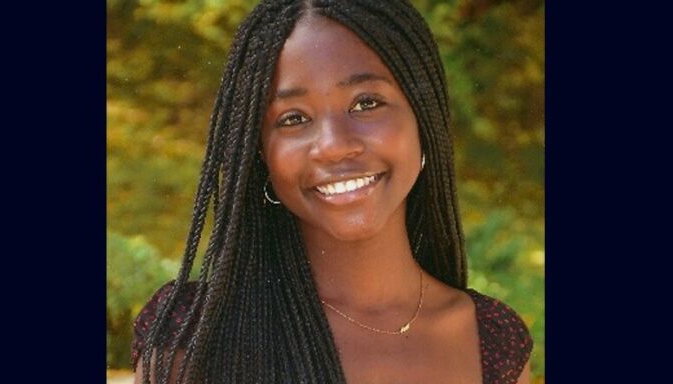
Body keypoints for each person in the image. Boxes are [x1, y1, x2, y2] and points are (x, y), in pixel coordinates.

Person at [131, 1, 534, 383]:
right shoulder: (194, 337)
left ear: (423, 119)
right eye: (293, 118)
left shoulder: (489, 340)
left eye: (366, 103)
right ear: (261, 155)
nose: (334, 145)